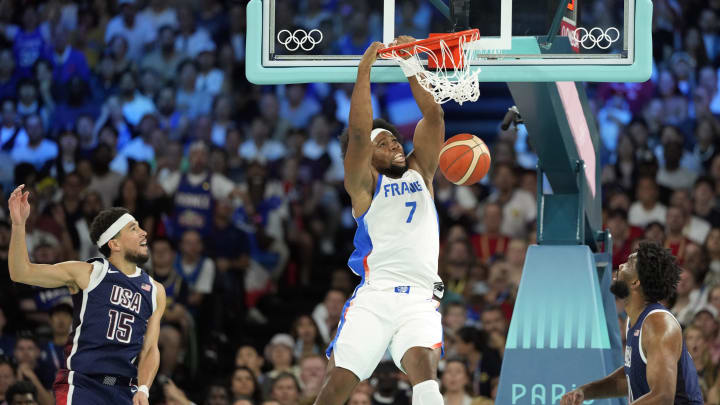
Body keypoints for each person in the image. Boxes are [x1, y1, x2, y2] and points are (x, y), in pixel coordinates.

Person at [315, 37, 446, 405]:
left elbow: (433, 117)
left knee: (426, 376)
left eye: (395, 141)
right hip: (376, 295)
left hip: (420, 296)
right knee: (335, 388)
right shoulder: (364, 186)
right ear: (367, 156)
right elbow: (358, 134)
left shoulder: (421, 171)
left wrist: (411, 63)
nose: (396, 146)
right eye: (385, 143)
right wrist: (364, 73)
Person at [7, 185, 166, 405]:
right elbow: (21, 272)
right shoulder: (89, 273)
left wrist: (144, 389)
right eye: (133, 228)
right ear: (114, 243)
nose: (144, 232)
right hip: (82, 385)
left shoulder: (155, 291)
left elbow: (150, 348)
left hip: (124, 389)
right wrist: (18, 224)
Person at [560, 242, 703, 405]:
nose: (620, 265)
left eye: (628, 263)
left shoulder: (659, 324)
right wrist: (585, 391)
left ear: (636, 282)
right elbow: (629, 376)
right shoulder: (635, 319)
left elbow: (663, 397)